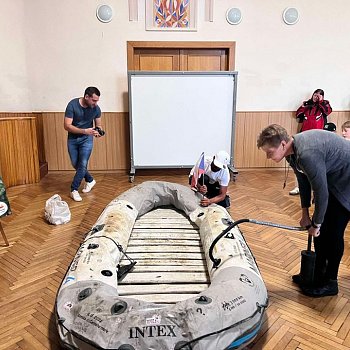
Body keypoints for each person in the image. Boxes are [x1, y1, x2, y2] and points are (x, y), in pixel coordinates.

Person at [257, 124, 350, 297]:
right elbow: (304, 182)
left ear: (283, 144)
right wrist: (305, 214)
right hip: (335, 177)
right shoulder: (292, 153)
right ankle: (318, 275)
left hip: (346, 182)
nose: (268, 157)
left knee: (333, 232)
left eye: (270, 152)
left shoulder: (307, 154)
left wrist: (317, 223)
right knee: (321, 232)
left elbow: (321, 193)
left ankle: (331, 282)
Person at [289, 89, 332, 195]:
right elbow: (298, 114)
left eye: (319, 95)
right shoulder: (307, 105)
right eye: (315, 94)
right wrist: (303, 106)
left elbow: (327, 111)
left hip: (318, 138)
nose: (316, 97)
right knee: (299, 162)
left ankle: (315, 188)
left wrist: (321, 101)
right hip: (304, 137)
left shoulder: (325, 104)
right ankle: (299, 186)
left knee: (315, 163)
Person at [64, 87, 103, 202]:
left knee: (82, 164)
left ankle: (74, 189)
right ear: (86, 97)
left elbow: (99, 125)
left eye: (97, 101)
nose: (96, 103)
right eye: (94, 100)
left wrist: (98, 131)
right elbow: (67, 126)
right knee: (76, 164)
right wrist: (84, 131)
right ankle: (90, 180)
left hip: (87, 139)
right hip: (73, 139)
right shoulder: (72, 105)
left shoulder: (96, 109)